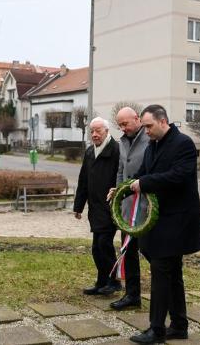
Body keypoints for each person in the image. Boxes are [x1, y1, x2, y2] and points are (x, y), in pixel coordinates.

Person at [128, 105, 200, 344]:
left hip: (177, 222)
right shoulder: (153, 145)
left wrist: (144, 183)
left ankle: (156, 329)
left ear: (163, 122)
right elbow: (140, 174)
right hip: (157, 222)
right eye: (144, 127)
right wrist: (122, 188)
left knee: (161, 274)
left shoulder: (183, 143)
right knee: (172, 275)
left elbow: (178, 176)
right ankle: (179, 325)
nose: (146, 131)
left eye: (149, 126)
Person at [73, 117, 122, 296]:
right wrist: (78, 206)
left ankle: (114, 282)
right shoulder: (89, 152)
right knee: (97, 247)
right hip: (95, 208)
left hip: (111, 207)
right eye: (92, 131)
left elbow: (122, 177)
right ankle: (102, 282)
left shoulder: (116, 150)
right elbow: (83, 180)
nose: (94, 134)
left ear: (107, 131)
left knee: (104, 244)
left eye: (98, 131)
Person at [108, 106, 149, 310]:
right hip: (127, 209)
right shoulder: (123, 142)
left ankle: (164, 295)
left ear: (137, 118)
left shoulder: (150, 138)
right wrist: (118, 191)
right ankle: (132, 295)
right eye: (120, 125)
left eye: (125, 124)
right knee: (128, 252)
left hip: (147, 208)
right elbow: (121, 170)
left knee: (152, 254)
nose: (123, 128)